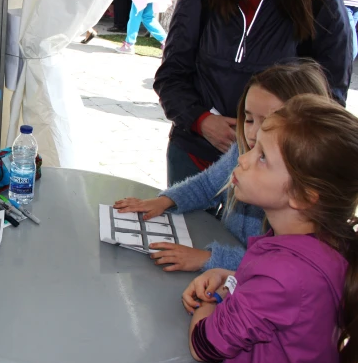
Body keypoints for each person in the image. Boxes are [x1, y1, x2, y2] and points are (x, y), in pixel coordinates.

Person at [154, 0, 352, 188]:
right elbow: (171, 76)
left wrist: (270, 138)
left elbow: (330, 98)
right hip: (193, 157)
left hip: (274, 173)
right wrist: (201, 120)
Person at [183, 94, 358, 363]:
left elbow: (205, 344)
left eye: (262, 157)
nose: (243, 158)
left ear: (304, 196)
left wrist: (209, 301)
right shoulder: (325, 243)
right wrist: (231, 279)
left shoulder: (283, 275)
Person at [114, 62, 330, 272]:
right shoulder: (242, 150)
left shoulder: (298, 197)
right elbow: (208, 184)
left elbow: (277, 266)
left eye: (266, 122)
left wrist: (207, 259)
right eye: (248, 119)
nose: (253, 134)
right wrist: (165, 200)